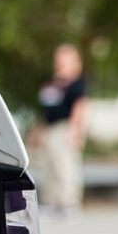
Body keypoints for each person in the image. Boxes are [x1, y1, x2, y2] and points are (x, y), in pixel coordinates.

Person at [38, 44, 88, 220]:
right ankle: (51, 202)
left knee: (65, 166)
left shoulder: (76, 85)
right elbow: (46, 110)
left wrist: (75, 131)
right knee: (50, 166)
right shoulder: (52, 84)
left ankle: (69, 203)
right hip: (51, 129)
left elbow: (79, 108)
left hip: (65, 128)